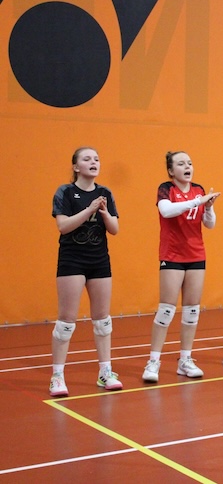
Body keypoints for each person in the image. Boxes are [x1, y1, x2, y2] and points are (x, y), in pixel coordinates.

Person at [142, 152, 220, 382]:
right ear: (171, 171)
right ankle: (153, 362)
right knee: (166, 310)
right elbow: (166, 211)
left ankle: (185, 360)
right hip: (172, 255)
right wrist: (198, 202)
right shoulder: (166, 189)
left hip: (196, 254)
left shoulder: (198, 189)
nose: (187, 167)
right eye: (181, 163)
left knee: (192, 311)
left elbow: (210, 224)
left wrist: (208, 208)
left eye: (190, 163)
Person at [50, 147, 121, 397]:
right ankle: (57, 376)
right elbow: (63, 226)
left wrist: (104, 213)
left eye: (97, 159)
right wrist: (89, 209)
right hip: (72, 260)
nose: (93, 162)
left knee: (103, 321)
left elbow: (114, 229)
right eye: (87, 159)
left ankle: (105, 372)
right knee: (66, 322)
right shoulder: (65, 192)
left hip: (99, 261)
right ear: (76, 167)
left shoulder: (105, 193)